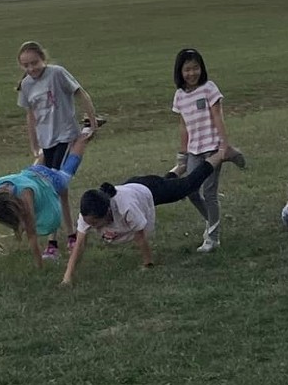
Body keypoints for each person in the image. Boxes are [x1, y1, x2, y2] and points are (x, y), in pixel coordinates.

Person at [60, 145, 244, 284]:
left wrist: (148, 264)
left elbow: (141, 238)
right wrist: (67, 277)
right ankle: (179, 167)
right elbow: (79, 244)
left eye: (94, 223)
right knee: (169, 185)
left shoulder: (126, 209)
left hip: (149, 190)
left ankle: (221, 154)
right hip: (135, 188)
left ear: (107, 213)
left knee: (188, 186)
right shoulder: (89, 211)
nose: (91, 226)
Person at [0, 129, 94, 273]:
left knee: (67, 171)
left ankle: (83, 137)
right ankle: (51, 144)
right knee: (44, 162)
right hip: (31, 172)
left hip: (50, 182)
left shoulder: (25, 195)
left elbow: (32, 235)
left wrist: (39, 266)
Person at [15, 40, 100, 260]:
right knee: (58, 190)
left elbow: (81, 93)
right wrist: (34, 145)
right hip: (47, 142)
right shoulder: (26, 85)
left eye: (35, 63)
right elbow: (31, 115)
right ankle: (70, 235)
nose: (32, 69)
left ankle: (55, 242)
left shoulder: (56, 73)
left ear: (43, 58)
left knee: (53, 188)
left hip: (65, 136)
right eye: (26, 65)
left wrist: (92, 122)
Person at [168, 48, 247, 253]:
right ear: (180, 71)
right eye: (187, 69)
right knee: (191, 190)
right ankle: (213, 222)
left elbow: (217, 117)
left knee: (209, 192)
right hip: (194, 149)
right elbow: (183, 126)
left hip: (212, 147)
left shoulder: (209, 88)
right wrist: (182, 155)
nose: (192, 73)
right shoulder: (179, 96)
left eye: (196, 68)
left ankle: (213, 238)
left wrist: (223, 145)